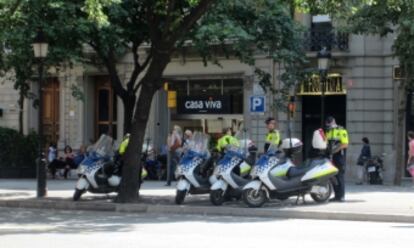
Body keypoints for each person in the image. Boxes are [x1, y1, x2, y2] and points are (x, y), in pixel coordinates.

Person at [325, 116, 349, 202]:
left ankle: (341, 196)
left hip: (339, 157)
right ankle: (336, 196)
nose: (329, 127)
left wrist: (334, 150)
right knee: (333, 177)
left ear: (334, 122)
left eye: (330, 124)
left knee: (340, 176)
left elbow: (345, 144)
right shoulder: (328, 131)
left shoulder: (341, 130)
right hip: (331, 157)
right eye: (327, 125)